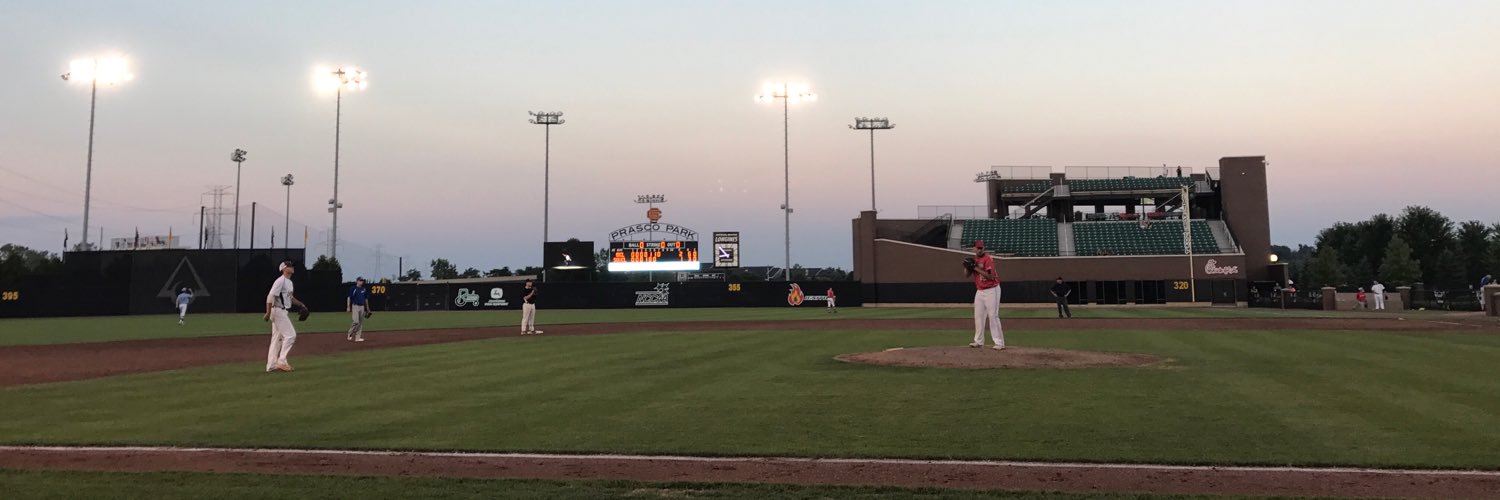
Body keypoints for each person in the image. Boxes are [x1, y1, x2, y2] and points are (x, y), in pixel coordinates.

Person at [264, 260, 306, 373]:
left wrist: (301, 305)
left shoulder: (289, 282)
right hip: (278, 310)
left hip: (282, 311)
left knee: (277, 339)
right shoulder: (280, 281)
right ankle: (281, 361)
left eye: (292, 266)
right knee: (291, 335)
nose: (292, 267)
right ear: (283, 269)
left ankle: (271, 365)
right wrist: (268, 313)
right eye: (289, 266)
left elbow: (290, 298)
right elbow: (270, 296)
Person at [964, 240, 1005, 350]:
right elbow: (966, 275)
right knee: (978, 316)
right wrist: (967, 267)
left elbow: (990, 277)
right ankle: (978, 341)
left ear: (984, 248)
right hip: (980, 291)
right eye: (977, 248)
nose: (979, 249)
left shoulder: (988, 259)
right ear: (974, 248)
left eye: (981, 248)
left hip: (992, 289)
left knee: (993, 316)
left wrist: (975, 267)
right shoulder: (974, 259)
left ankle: (999, 343)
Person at [346, 277, 369, 342]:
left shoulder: (364, 289)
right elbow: (349, 297)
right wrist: (348, 306)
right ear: (357, 281)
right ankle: (350, 333)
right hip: (355, 306)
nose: (361, 282)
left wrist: (367, 308)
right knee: (356, 321)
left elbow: (366, 299)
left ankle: (357, 338)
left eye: (362, 281)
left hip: (362, 307)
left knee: (360, 323)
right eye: (360, 281)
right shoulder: (353, 288)